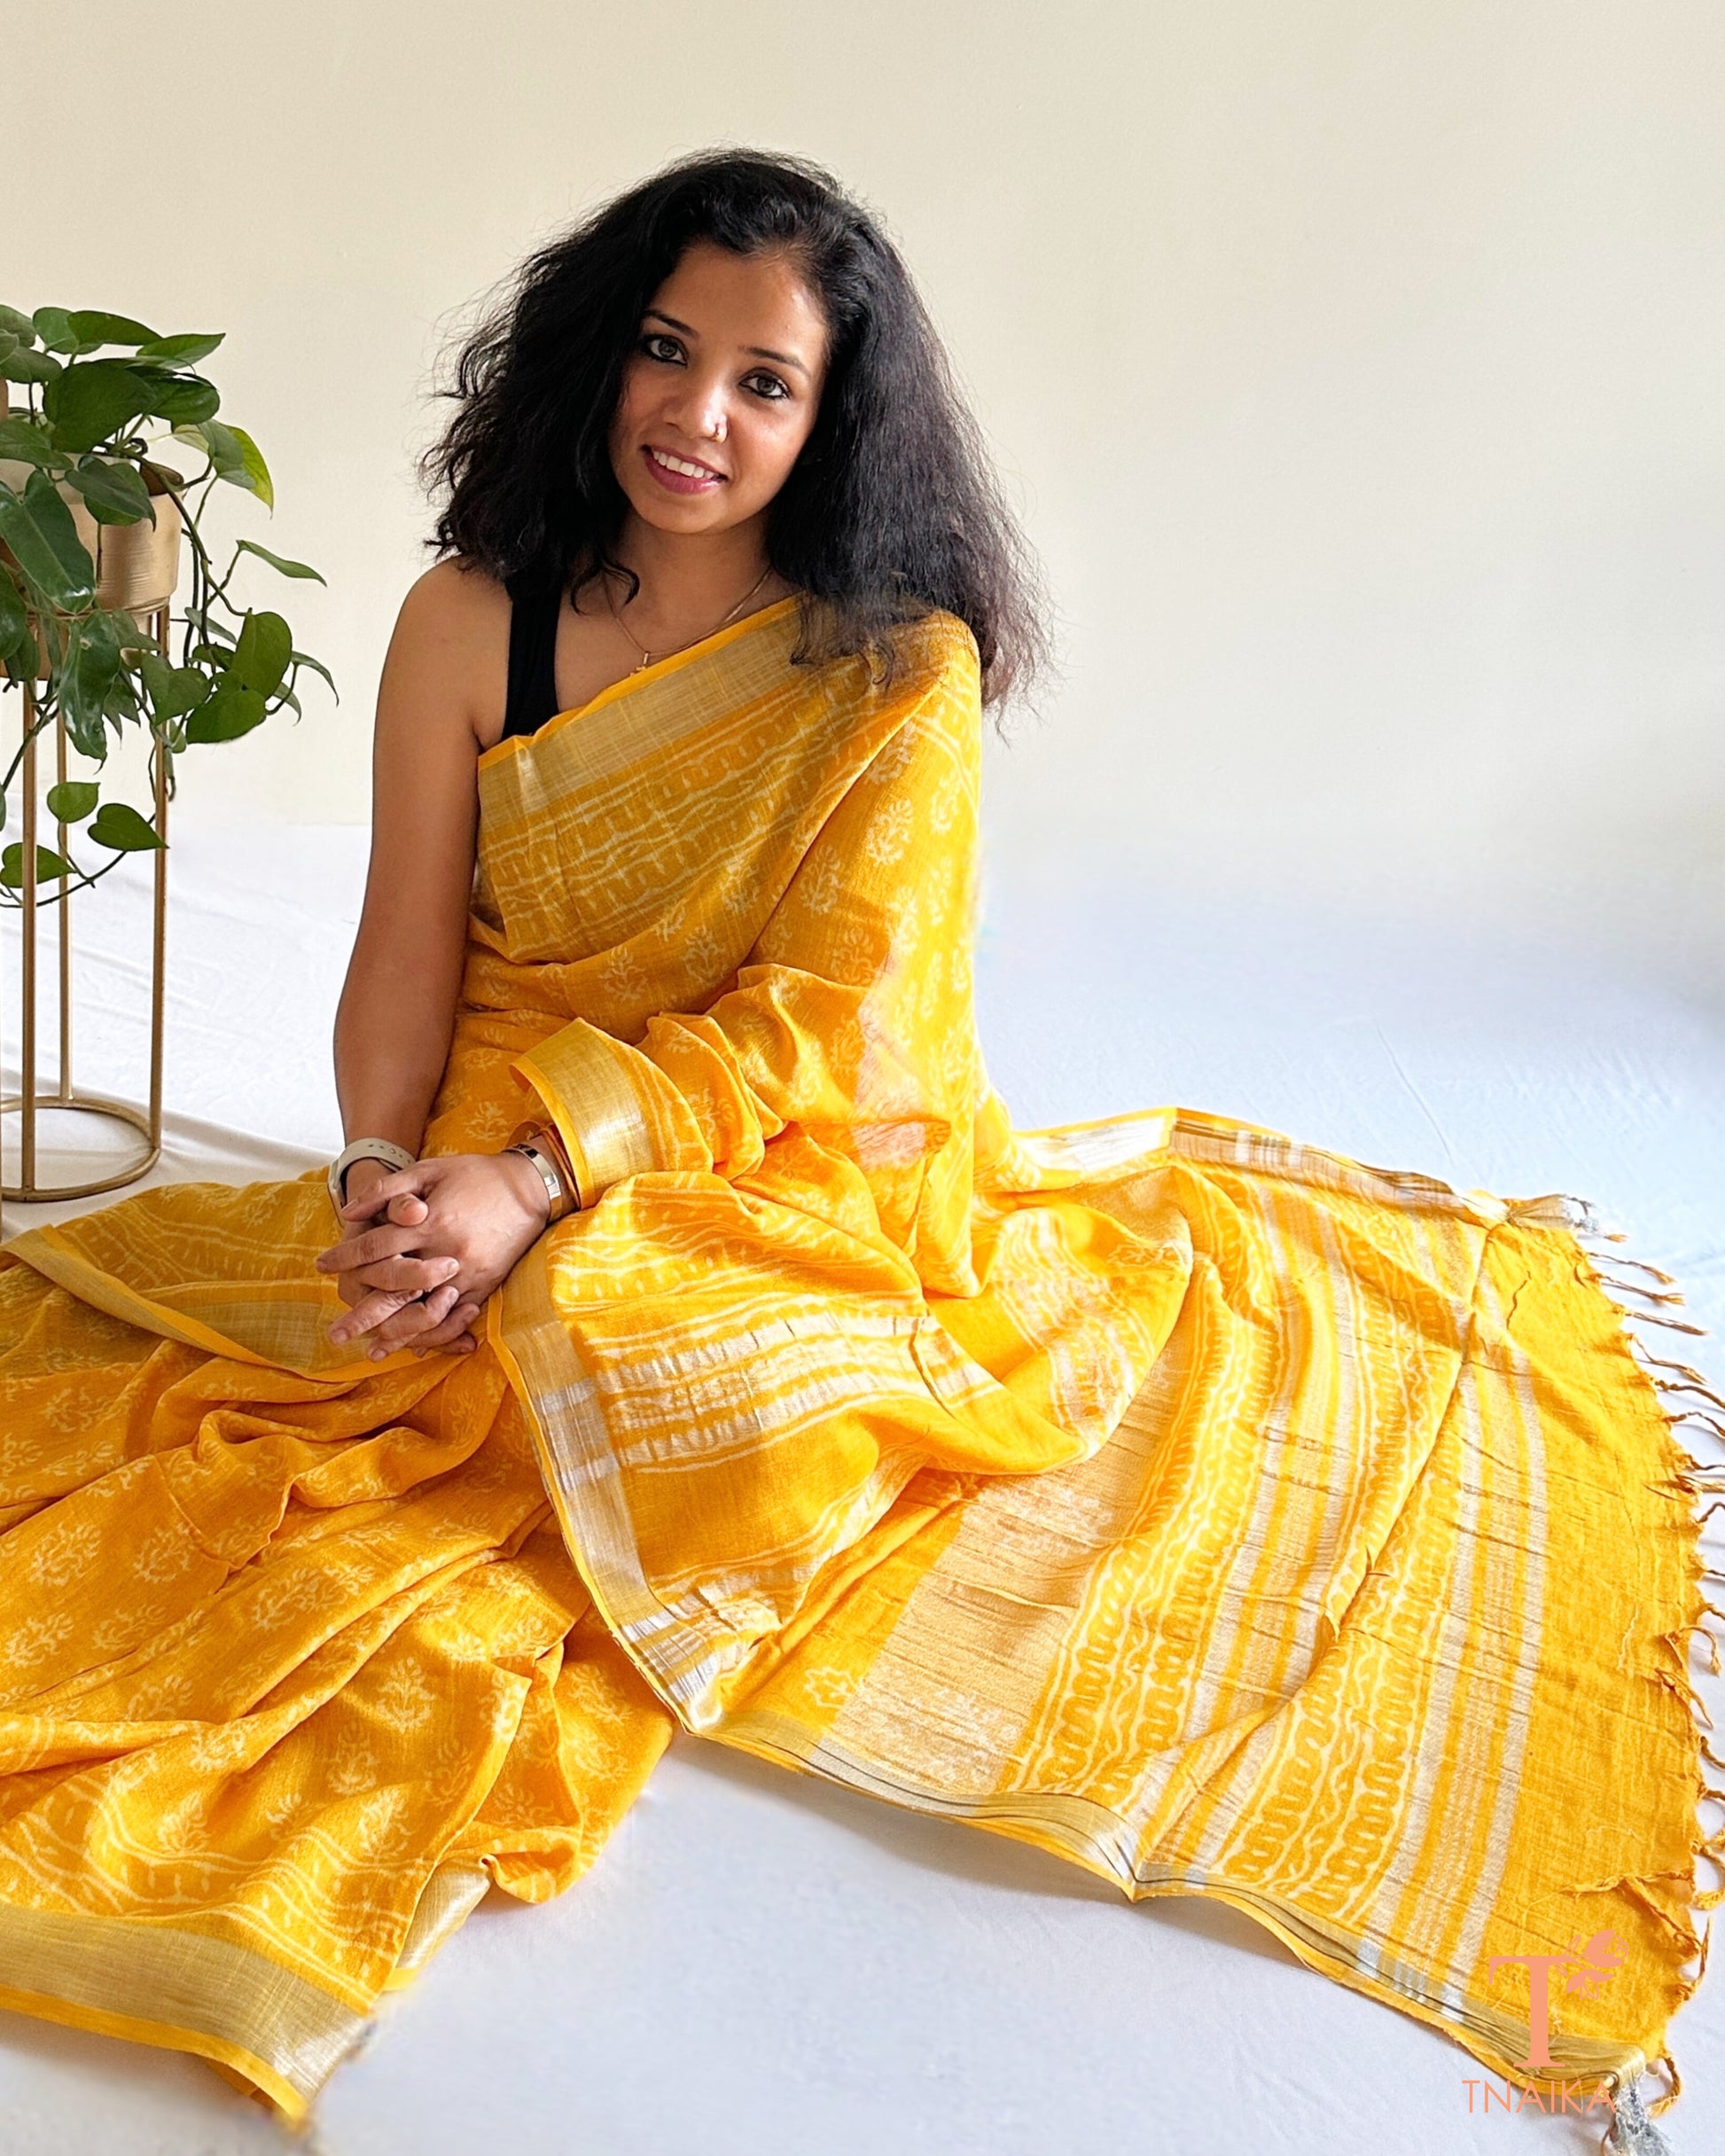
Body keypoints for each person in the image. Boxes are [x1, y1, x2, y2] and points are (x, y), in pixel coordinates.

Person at [0, 151, 1708, 2130]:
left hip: (807, 1150)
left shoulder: (900, 669)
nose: (694, 416)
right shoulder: (471, 614)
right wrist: (387, 1175)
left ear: (832, 422)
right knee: (362, 1343)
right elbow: (404, 948)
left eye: (761, 381)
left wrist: (533, 1188)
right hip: (498, 1101)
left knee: (645, 1349)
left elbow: (828, 1030)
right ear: (592, 352)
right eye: (663, 350)